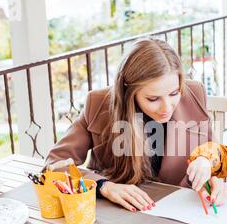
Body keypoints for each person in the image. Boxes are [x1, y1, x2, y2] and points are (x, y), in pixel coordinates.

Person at [46, 38, 214, 212]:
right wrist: (104, 186)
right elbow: (55, 164)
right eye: (153, 98)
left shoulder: (194, 95)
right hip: (118, 213)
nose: (167, 107)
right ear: (129, 91)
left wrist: (213, 174)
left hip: (183, 212)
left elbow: (215, 154)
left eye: (174, 93)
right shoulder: (98, 104)